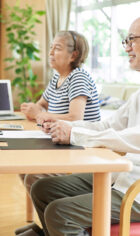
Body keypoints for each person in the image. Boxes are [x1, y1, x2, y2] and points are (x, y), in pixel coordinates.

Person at [17, 17, 140, 236]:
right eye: (126, 40)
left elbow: (134, 137)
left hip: (135, 190)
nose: (128, 47)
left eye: (132, 39)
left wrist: (74, 133)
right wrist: (63, 126)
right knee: (41, 188)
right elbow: (106, 124)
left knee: (59, 212)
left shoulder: (79, 77)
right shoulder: (137, 95)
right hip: (121, 178)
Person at [18, 31, 101, 212]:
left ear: (74, 55)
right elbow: (40, 107)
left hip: (81, 149)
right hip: (61, 144)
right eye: (51, 48)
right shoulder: (57, 77)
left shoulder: (78, 77)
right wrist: (36, 111)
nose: (50, 53)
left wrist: (43, 114)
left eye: (57, 48)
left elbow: (75, 117)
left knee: (33, 176)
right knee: (23, 167)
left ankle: (52, 224)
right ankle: (47, 227)